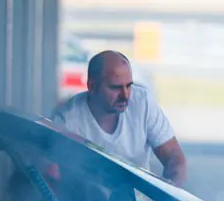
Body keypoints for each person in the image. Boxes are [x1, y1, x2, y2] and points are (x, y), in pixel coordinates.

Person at [51, 49, 188, 187]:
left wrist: (171, 188)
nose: (125, 95)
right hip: (85, 199)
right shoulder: (67, 119)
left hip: (139, 199)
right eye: (115, 87)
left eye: (129, 85)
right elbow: (52, 175)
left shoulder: (143, 103)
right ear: (92, 86)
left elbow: (174, 156)